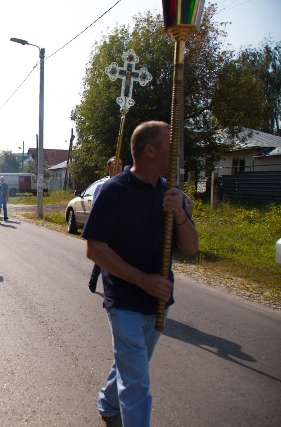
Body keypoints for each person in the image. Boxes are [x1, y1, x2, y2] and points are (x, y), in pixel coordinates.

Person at [81, 121, 198, 427]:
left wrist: (180, 214)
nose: (178, 153)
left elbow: (191, 248)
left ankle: (107, 403)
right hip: (125, 302)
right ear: (150, 151)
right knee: (137, 384)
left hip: (159, 301)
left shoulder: (171, 193)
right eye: (171, 146)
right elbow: (95, 249)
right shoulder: (114, 190)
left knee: (133, 364)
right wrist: (144, 281)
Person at [88, 156, 123, 293]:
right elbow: (95, 208)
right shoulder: (102, 186)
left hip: (120, 227)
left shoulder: (126, 185)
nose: (118, 166)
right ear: (108, 167)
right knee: (104, 256)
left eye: (120, 164)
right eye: (115, 164)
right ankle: (95, 279)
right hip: (106, 227)